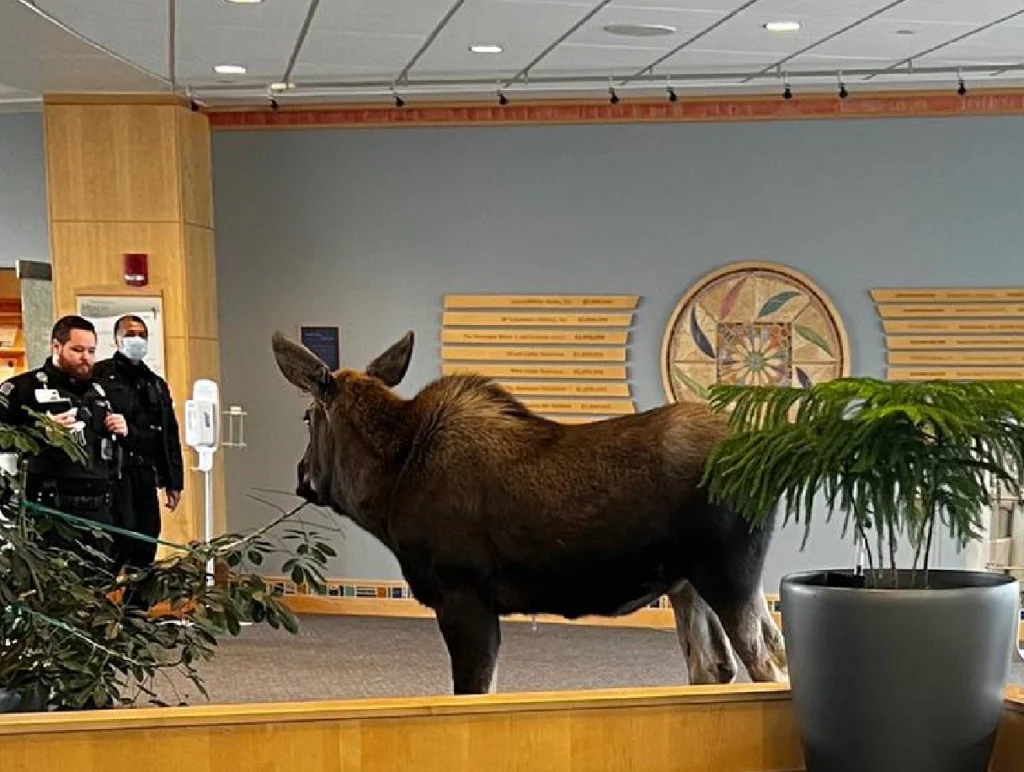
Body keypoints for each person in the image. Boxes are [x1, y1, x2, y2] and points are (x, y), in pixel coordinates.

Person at [0, 315, 129, 566]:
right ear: (56, 347)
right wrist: (40, 433)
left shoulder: (99, 392)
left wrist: (122, 429)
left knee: (98, 583)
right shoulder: (22, 389)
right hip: (48, 514)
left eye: (91, 351)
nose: (86, 358)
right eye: (77, 350)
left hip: (98, 514)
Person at [94, 315, 183, 583]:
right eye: (130, 334)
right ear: (116, 339)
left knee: (146, 540)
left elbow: (168, 435)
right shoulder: (99, 376)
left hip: (144, 473)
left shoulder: (154, 383)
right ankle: (100, 602)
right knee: (117, 542)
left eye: (142, 334)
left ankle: (137, 607)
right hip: (113, 474)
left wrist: (173, 481)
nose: (137, 339)